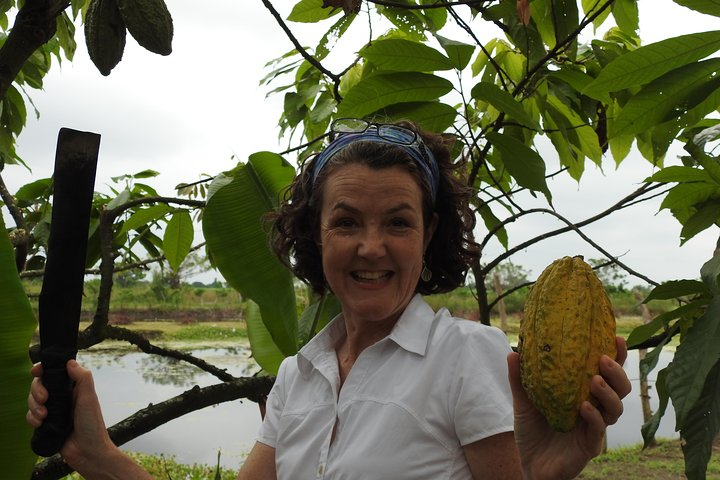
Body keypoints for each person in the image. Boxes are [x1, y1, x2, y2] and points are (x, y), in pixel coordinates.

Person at [28, 118, 631, 479]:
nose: (372, 248)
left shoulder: (468, 355)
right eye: (346, 223)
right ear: (317, 236)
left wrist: (546, 472)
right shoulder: (298, 375)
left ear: (430, 237)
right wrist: (99, 455)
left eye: (398, 222)